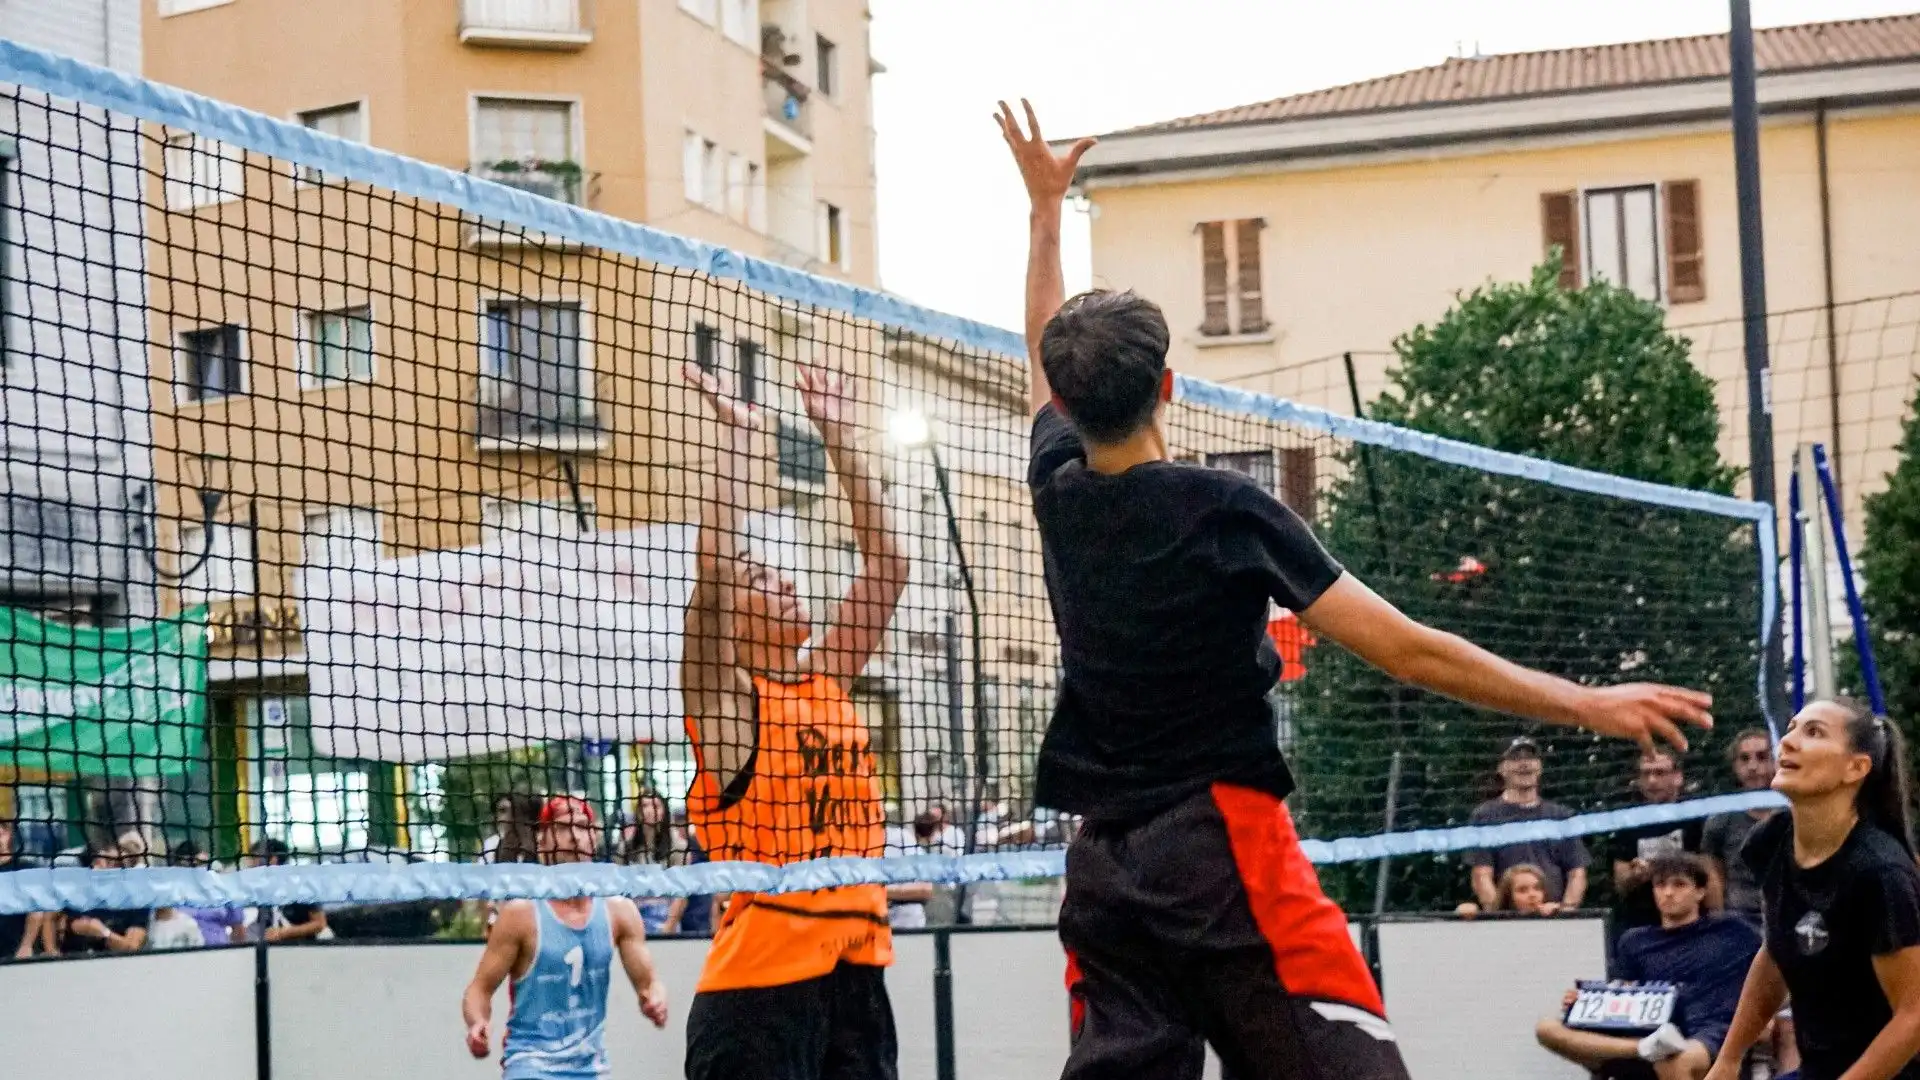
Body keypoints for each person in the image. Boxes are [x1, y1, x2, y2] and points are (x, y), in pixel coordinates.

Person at [996, 98, 1713, 1080]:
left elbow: (1042, 351)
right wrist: (1586, 702)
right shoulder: (1225, 510)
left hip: (1105, 871)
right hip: (1223, 845)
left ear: (1068, 403)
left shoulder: (1059, 494)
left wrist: (1045, 216)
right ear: (1170, 387)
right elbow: (1408, 648)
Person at [677, 354, 909, 1080]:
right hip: (759, 994)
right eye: (760, 577)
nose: (780, 575)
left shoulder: (826, 681)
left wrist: (836, 433)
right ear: (733, 621)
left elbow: (888, 565)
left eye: (776, 569)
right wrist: (740, 440)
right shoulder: (729, 707)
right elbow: (714, 567)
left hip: (858, 977)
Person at [1706, 699, 1920, 1080]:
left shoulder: (1880, 871)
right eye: (1791, 728)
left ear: (1856, 768)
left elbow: (1914, 1018)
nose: (1787, 742)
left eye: (1813, 732)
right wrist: (1727, 1059)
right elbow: (1775, 956)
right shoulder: (1770, 841)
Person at [462, 795, 669, 1077]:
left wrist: (655, 999)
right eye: (562, 827)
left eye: (583, 827)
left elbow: (650, 983)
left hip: (591, 1068)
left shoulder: (619, 911)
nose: (574, 837)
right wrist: (478, 1023)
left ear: (593, 839)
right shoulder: (520, 915)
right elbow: (479, 990)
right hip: (530, 1065)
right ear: (541, 840)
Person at [1536, 853, 1757, 1080]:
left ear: (1700, 891)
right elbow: (1624, 993)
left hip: (1710, 1031)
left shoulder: (1733, 931)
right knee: (1547, 1028)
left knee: (1675, 1062)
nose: (1668, 893)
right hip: (1647, 1032)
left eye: (1679, 885)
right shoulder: (1634, 941)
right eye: (1660, 885)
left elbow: (1774, 967)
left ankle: (1656, 1049)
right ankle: (1646, 1047)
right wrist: (1584, 1004)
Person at [1463, 738, 1591, 910]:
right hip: (1507, 922)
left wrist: (1565, 913)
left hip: (1552, 916)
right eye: (1516, 758)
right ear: (1501, 768)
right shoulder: (1485, 816)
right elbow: (1481, 875)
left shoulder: (1562, 816)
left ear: (1540, 766)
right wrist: (1498, 917)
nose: (1524, 764)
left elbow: (1577, 873)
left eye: (1530, 758)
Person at [1610, 748, 1708, 949]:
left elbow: (1710, 873)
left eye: (1660, 773)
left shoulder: (1697, 817)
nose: (1652, 780)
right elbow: (1620, 882)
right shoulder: (1628, 821)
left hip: (1692, 925)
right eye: (1646, 773)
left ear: (1678, 777)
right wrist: (1635, 875)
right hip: (1641, 926)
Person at [1702, 728, 1778, 924]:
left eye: (1762, 757)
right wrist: (1720, 925)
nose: (1752, 766)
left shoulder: (1798, 811)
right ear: (1734, 765)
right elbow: (1714, 876)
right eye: (1744, 759)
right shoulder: (1721, 818)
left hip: (1791, 917)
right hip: (1741, 920)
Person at [618, 790, 690, 935]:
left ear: (664, 811)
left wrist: (669, 926)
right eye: (644, 806)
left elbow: (681, 895)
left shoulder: (678, 847)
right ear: (638, 812)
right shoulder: (625, 848)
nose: (649, 810)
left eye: (655, 806)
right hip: (634, 921)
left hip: (665, 923)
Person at [63, 842, 150, 954]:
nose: (110, 868)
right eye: (107, 861)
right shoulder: (80, 893)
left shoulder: (137, 901)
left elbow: (131, 947)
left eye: (118, 865)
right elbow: (76, 926)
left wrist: (104, 933)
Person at [247, 838, 328, 943]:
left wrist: (283, 933)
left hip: (304, 950)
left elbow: (319, 924)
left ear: (273, 860)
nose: (251, 864)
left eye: (255, 858)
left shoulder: (303, 886)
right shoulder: (263, 890)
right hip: (275, 952)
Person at [168, 842, 247, 947]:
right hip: (184, 954)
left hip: (220, 953)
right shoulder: (172, 896)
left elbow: (238, 930)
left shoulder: (221, 893)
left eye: (200, 865)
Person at [1456, 863, 1558, 919]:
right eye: (1522, 890)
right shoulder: (1494, 922)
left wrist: (1558, 913)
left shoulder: (1553, 916)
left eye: (1537, 888)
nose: (1532, 895)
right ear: (1508, 895)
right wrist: (1463, 913)